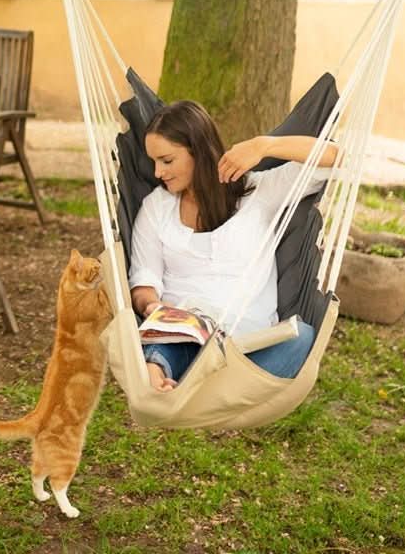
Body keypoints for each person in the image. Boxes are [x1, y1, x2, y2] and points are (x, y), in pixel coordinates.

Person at [129, 100, 338, 392]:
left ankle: (193, 386)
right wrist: (152, 306)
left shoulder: (259, 192)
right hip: (188, 335)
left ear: (197, 151)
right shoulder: (156, 207)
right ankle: (162, 372)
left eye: (166, 160)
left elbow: (336, 157)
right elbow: (144, 278)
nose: (158, 173)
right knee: (173, 342)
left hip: (250, 346)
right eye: (154, 162)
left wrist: (264, 146)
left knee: (301, 337)